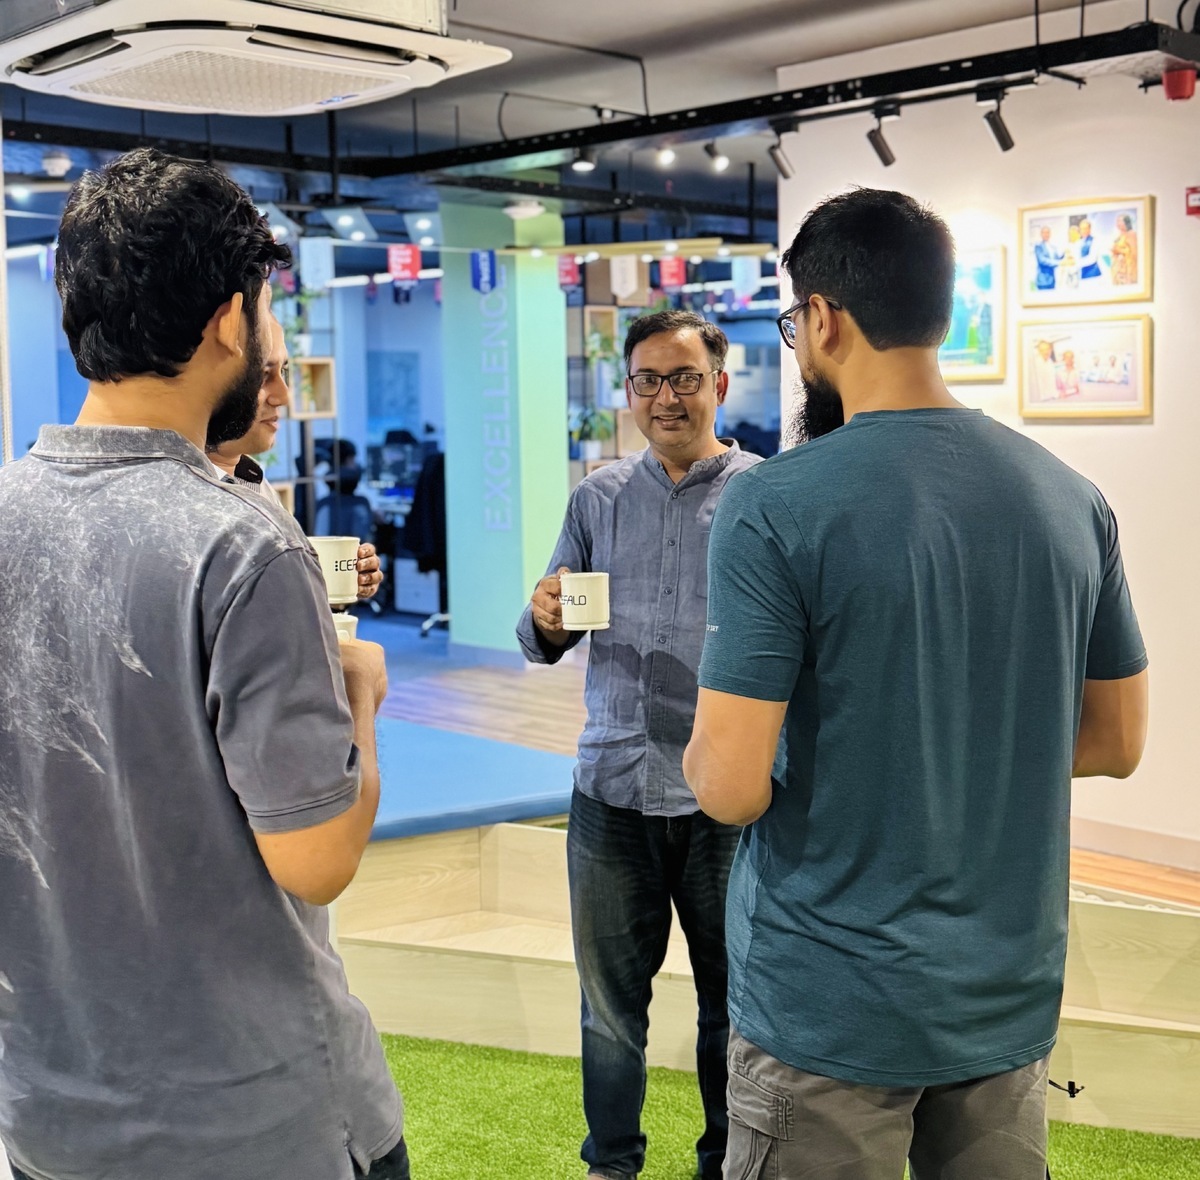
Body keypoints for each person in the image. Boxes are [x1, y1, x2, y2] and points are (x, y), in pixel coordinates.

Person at [684, 187, 1149, 1180]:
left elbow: (728, 785)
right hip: (1004, 996)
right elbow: (1116, 740)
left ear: (823, 319)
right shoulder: (1071, 500)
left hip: (826, 1007)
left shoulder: (774, 504)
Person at [0, 149, 409, 1180]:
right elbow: (316, 857)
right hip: (258, 1123)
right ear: (232, 320)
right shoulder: (241, 545)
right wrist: (360, 698)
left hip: (51, 1117)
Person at [516, 310, 761, 1180]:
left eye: (685, 378)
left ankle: (723, 1164)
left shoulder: (762, 497)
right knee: (608, 1013)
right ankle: (611, 1165)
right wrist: (543, 618)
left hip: (723, 800)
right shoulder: (598, 497)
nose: (666, 397)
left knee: (731, 1011)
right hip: (611, 789)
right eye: (648, 381)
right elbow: (542, 629)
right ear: (628, 393)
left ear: (721, 386)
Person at [208, 317, 383, 601]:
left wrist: (339, 577)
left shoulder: (254, 481)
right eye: (263, 375)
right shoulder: (190, 491)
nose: (284, 396)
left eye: (285, 372)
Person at [1033, 223, 1063, 290]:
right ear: (1041, 234)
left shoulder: (1053, 247)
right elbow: (1042, 260)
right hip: (1043, 281)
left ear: (1050, 234)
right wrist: (1059, 262)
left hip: (1052, 280)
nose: (1046, 234)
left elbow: (1057, 259)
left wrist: (1065, 255)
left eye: (1047, 232)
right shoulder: (1038, 246)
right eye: (1044, 233)